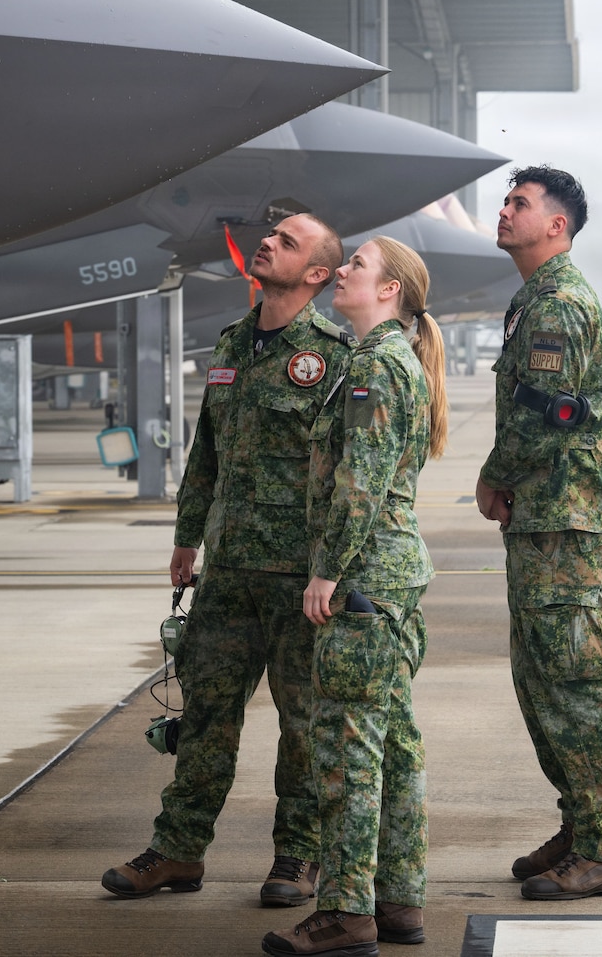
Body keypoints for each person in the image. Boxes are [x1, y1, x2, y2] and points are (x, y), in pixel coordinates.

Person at [104, 213, 354, 908]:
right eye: (271, 234)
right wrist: (188, 537)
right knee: (207, 715)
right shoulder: (233, 343)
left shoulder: (333, 354)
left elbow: (349, 472)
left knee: (302, 726)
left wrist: (331, 567)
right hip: (228, 572)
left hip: (299, 579)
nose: (267, 241)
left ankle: (297, 855)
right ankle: (178, 849)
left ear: (315, 275)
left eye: (288, 241)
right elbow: (206, 452)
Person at [264, 236, 447, 956]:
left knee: (349, 751)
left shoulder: (374, 365)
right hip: (392, 578)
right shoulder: (387, 359)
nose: (342, 271)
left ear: (390, 289)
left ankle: (346, 910)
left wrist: (327, 571)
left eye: (357, 266)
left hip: (365, 579)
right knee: (396, 744)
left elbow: (360, 483)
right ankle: (398, 900)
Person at [474, 165, 602, 901]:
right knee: (540, 682)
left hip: (564, 521)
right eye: (505, 200)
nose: (504, 211)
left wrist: (493, 474)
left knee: (574, 683)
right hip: (544, 520)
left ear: (557, 226)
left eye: (520, 203)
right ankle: (581, 822)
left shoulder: (558, 305)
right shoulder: (532, 298)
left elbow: (547, 415)